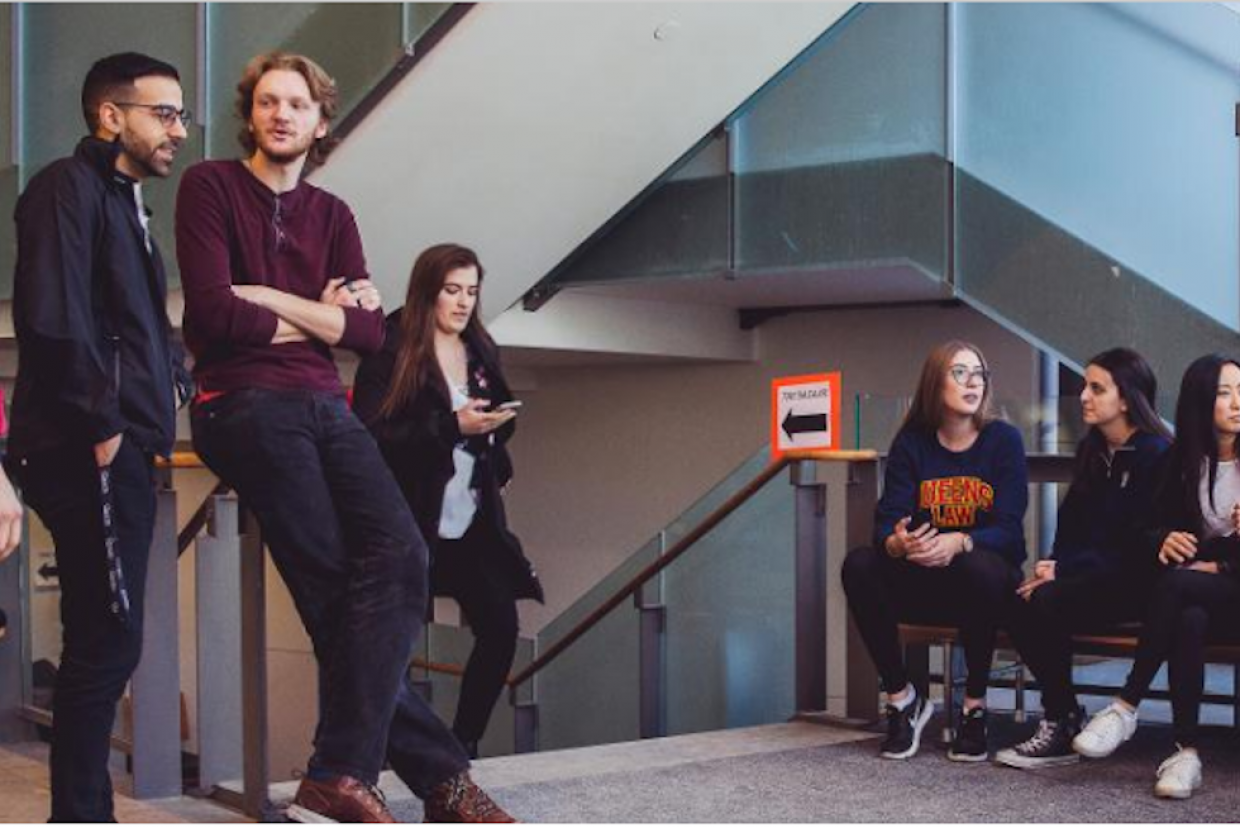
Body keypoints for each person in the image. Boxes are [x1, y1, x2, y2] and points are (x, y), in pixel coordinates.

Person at [177, 52, 513, 823]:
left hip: (325, 405)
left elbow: (368, 333)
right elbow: (212, 316)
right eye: (267, 101)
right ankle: (441, 783)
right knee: (337, 586)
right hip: (243, 402)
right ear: (250, 113)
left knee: (401, 558)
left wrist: (265, 295)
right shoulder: (211, 187)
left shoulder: (334, 214)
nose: (281, 114)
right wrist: (312, 309)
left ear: (321, 122)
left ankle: (338, 773)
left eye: (297, 104)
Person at [6, 52, 188, 821]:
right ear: (110, 116)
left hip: (120, 444)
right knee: (108, 639)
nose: (179, 129)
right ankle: (81, 815)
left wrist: (175, 376)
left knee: (101, 637)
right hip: (87, 447)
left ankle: (82, 816)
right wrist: (105, 425)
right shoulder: (65, 187)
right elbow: (50, 315)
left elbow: (136, 323)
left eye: (180, 114)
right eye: (163, 113)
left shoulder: (126, 203)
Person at [353, 243, 544, 759]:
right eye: (452, 291)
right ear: (427, 293)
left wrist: (496, 430)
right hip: (410, 522)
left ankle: (462, 747)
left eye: (472, 292)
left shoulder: (480, 346)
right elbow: (372, 431)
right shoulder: (390, 347)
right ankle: (379, 752)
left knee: (501, 627)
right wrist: (451, 426)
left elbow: (503, 417)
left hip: (472, 520)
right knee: (390, 645)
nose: (463, 303)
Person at [841, 340, 1028, 762]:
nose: (972, 382)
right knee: (860, 564)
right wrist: (899, 542)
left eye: (979, 373)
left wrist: (959, 542)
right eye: (960, 372)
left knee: (977, 567)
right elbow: (887, 521)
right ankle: (903, 698)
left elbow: (1011, 533)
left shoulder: (1003, 440)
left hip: (985, 584)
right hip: (925, 578)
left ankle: (974, 707)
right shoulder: (913, 443)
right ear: (935, 382)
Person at [1072, 354, 1240, 800]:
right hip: (1201, 599)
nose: (1238, 403)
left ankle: (1126, 705)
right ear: (1200, 402)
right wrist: (1162, 539)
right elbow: (1141, 531)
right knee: (1188, 618)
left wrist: (1223, 564)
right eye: (1225, 393)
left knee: (1178, 585)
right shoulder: (1181, 463)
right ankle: (1186, 753)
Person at [994, 348, 1171, 769]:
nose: (1084, 396)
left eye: (1097, 388)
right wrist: (1051, 566)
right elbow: (1073, 527)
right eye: (1084, 387)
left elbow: (1138, 545)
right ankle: (1066, 714)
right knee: (1016, 597)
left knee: (1046, 601)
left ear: (1126, 398)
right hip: (1092, 582)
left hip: (1141, 587)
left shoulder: (1157, 454)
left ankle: (1059, 720)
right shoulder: (1095, 452)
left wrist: (1064, 571)